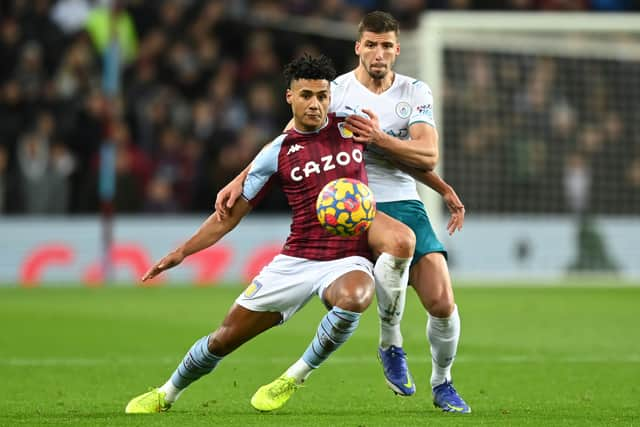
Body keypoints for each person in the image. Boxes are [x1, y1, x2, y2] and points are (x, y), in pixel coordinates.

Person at [124, 54, 416, 414]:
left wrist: (442, 188)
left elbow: (402, 159)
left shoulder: (351, 127)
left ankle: (292, 378)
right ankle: (167, 393)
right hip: (296, 259)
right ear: (289, 97)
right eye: (306, 95)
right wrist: (182, 252)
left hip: (347, 256)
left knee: (356, 296)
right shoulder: (276, 153)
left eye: (323, 96)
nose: (316, 104)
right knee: (224, 339)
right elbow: (228, 217)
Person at [216, 11, 470, 413]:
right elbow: (289, 139)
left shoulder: (415, 91)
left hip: (404, 200)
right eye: (370, 44)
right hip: (350, 203)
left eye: (387, 45)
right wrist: (242, 176)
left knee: (441, 302)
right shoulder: (335, 91)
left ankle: (442, 383)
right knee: (390, 254)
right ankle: (391, 342)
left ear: (397, 50)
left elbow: (428, 153)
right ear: (358, 47)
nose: (378, 53)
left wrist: (420, 170)